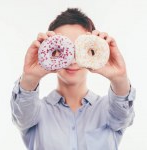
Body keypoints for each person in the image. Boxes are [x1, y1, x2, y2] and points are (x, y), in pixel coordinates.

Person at [11, 8, 136, 150]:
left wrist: (119, 77)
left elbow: (123, 115)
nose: (72, 60)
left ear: (92, 51)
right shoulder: (36, 113)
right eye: (62, 49)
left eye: (79, 48)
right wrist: (30, 77)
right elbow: (22, 114)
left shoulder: (107, 111)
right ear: (51, 49)